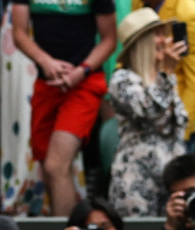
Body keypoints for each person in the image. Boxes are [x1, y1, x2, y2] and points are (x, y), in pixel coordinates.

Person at [10, 0, 117, 217]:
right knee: (46, 165)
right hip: (46, 83)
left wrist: (81, 71)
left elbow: (109, 39)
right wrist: (45, 61)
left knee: (56, 165)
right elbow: (19, 34)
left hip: (84, 82)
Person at [108, 8, 189, 217]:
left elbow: (178, 122)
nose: (165, 40)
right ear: (142, 42)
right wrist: (166, 74)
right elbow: (148, 111)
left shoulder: (164, 79)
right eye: (159, 34)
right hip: (137, 179)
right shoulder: (122, 79)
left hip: (173, 177)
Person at [134, 0, 195, 148]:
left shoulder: (189, 13)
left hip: (178, 113)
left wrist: (178, 131)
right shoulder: (138, 3)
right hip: (144, 108)